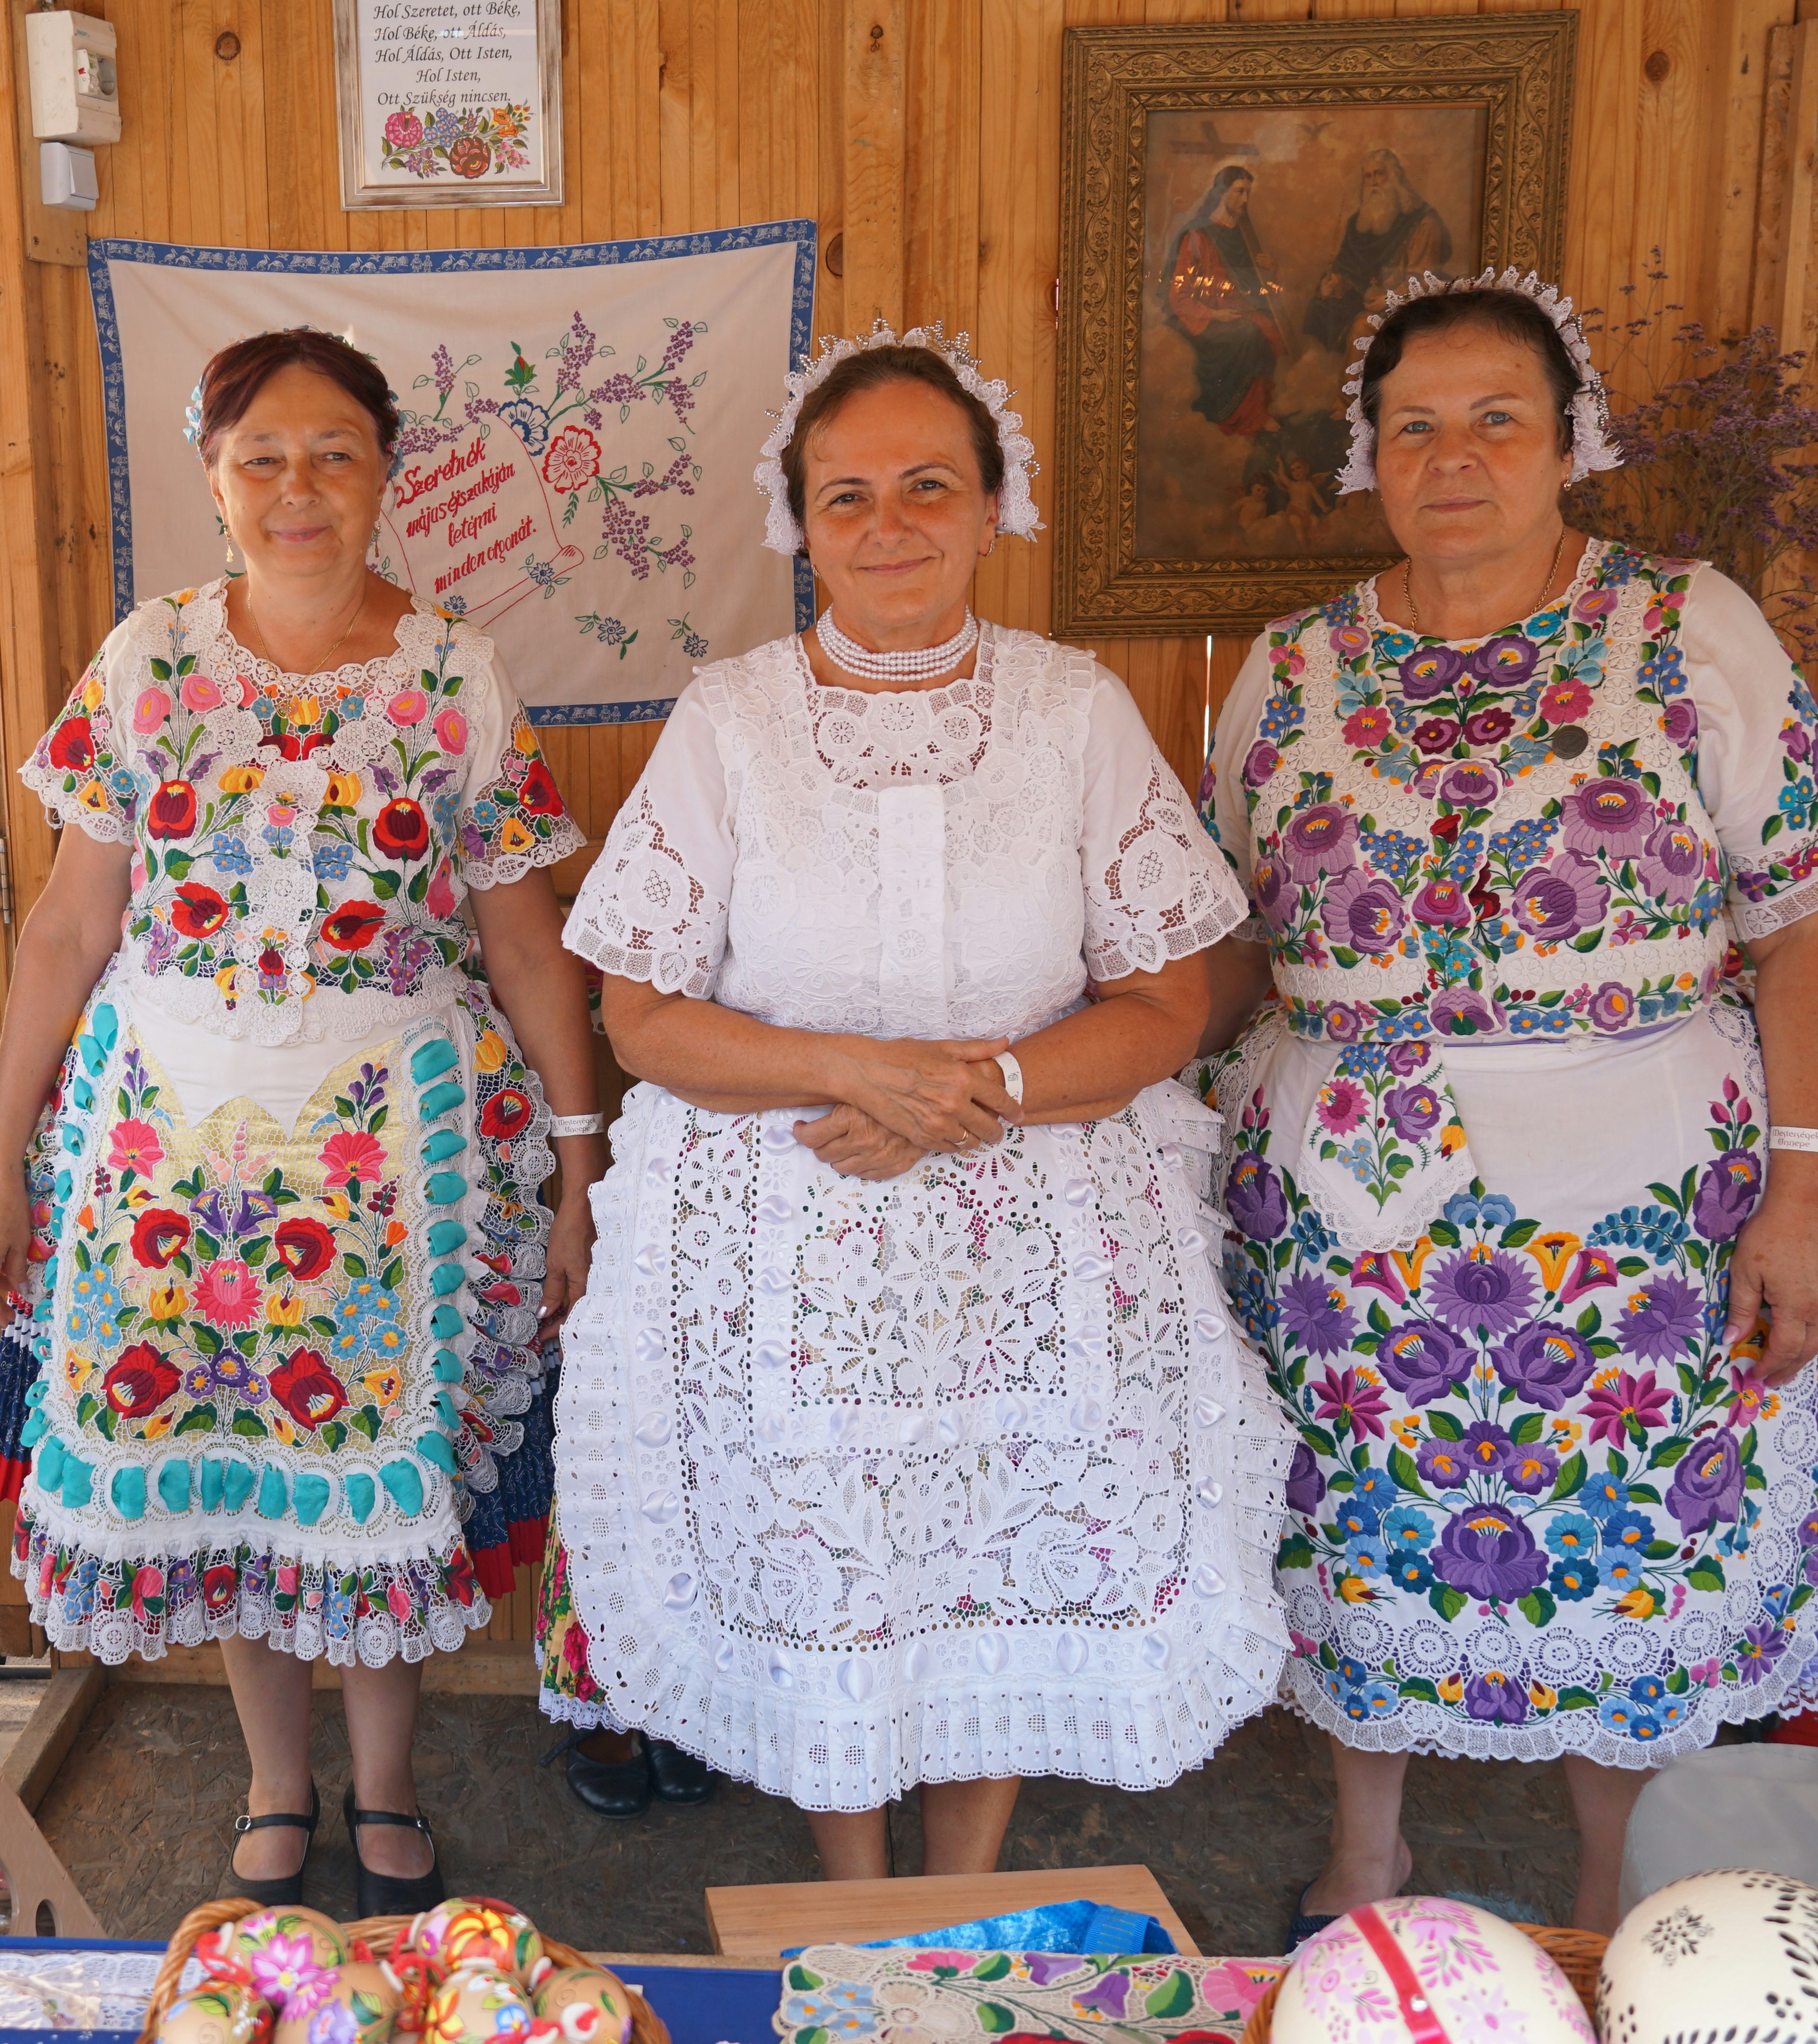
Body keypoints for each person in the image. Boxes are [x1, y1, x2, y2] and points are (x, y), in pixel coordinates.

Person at [539, 326, 1294, 1880]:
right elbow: (641, 1015)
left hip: (1031, 1231)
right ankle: (855, 1901)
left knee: (986, 1545)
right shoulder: (729, 719)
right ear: (799, 524)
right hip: (781, 1232)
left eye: (925, 487)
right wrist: (850, 1067)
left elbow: (1169, 997)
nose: (886, 526)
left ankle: (958, 1898)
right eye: (847, 496)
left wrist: (978, 1088)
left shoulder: (1072, 710)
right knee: (834, 1565)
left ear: (989, 504)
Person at [1191, 271, 1818, 1940]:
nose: (1455, 457)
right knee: (1352, 1518)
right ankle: (1371, 1858)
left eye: (1498, 419)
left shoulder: (1683, 627)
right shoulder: (1289, 672)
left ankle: (1609, 1889)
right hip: (1347, 1212)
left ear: (1569, 441)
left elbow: (1813, 923)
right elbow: (1223, 946)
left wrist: (1805, 1191)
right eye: (1415, 426)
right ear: (1370, 455)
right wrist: (1059, 1069)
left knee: (1634, 1533)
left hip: (1635, 1204)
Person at [0, 328, 602, 1914]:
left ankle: (382, 1780)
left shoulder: (452, 670)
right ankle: (271, 1775)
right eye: (262, 457)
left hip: (388, 1137)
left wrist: (582, 1161)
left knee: (364, 1458)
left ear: (386, 475)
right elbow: (65, 929)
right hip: (163, 1132)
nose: (297, 488)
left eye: (334, 453)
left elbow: (524, 938)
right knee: (235, 1456)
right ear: (211, 476)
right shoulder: (147, 663)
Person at [1163, 164, 1286, 436]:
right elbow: (1179, 295)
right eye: (1239, 192)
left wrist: (1272, 269)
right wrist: (1216, 315)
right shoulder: (1198, 235)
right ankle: (1245, 416)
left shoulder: (1243, 234)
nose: (1245, 200)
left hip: (1240, 310)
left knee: (1269, 331)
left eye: (1248, 193)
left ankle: (1260, 407)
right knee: (1250, 334)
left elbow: (1259, 288)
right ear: (1221, 193)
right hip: (1204, 315)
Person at [1302, 150, 1454, 356]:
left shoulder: (1423, 223)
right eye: (1368, 176)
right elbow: (1349, 268)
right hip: (1369, 299)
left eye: (1379, 174)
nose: (1374, 182)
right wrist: (1334, 283)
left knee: (1361, 326)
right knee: (1319, 310)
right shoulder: (1360, 222)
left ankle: (1352, 386)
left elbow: (1426, 279)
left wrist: (1390, 298)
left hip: (1410, 304)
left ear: (1394, 177)